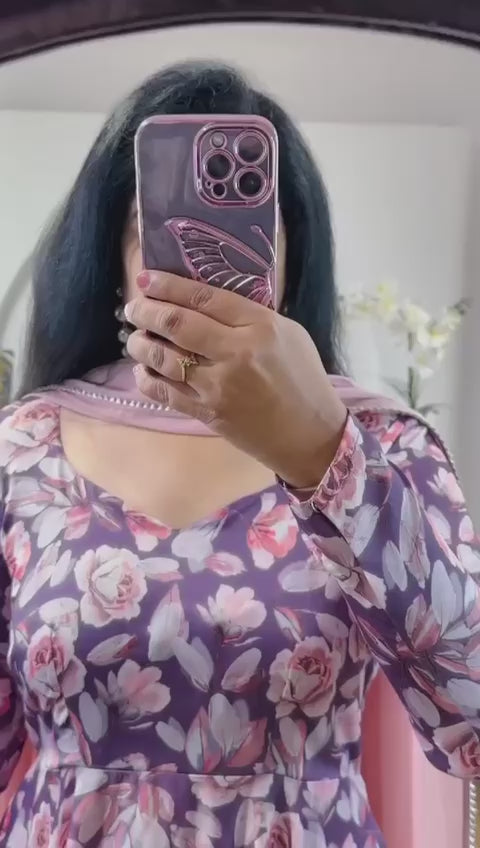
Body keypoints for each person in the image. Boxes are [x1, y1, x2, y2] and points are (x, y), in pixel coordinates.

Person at [0, 62, 478, 848]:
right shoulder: (23, 449)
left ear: (292, 252)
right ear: (112, 253)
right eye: (155, 222)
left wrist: (326, 457)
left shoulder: (384, 446)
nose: (206, 247)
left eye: (250, 218)